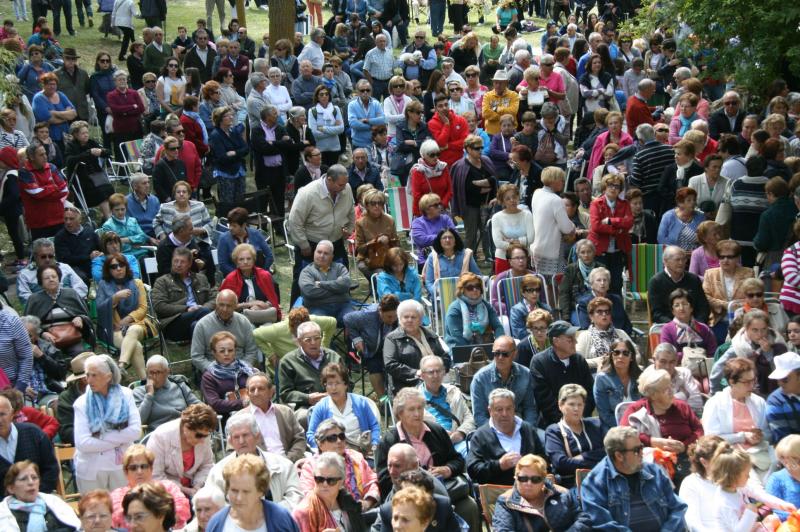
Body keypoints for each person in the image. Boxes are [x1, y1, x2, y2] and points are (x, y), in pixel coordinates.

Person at [375, 388, 478, 527]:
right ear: (400, 414)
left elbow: (457, 460)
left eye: (420, 408)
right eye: (411, 409)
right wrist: (417, 478)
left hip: (443, 491)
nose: (417, 414)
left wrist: (447, 469)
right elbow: (384, 480)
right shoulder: (389, 441)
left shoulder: (436, 430)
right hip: (407, 498)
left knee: (469, 506)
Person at [582, 426, 688, 530]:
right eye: (637, 450)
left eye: (641, 447)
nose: (642, 453)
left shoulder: (654, 471)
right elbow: (603, 525)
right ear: (619, 456)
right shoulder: (595, 483)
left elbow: (677, 508)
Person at [620, 368, 703, 486]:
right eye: (666, 389)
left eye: (671, 387)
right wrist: (652, 441)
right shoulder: (636, 409)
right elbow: (623, 435)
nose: (672, 392)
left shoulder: (681, 407)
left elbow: (699, 430)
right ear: (653, 395)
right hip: (653, 466)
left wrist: (684, 446)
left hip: (686, 461)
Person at [286, 164, 354, 304]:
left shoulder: (346, 188)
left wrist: (349, 229)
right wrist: (303, 244)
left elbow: (351, 212)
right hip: (311, 243)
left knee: (342, 278)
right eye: (340, 184)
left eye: (345, 184)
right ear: (329, 180)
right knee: (302, 279)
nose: (344, 187)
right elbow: (294, 221)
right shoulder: (307, 193)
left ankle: (341, 308)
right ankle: (296, 312)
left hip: (335, 241)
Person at [73, 354, 141, 491]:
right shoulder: (81, 403)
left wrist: (101, 437)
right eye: (87, 375)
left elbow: (135, 431)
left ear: (108, 377)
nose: (89, 380)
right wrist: (120, 438)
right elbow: (83, 443)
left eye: (94, 375)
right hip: (92, 469)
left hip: (122, 466)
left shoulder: (126, 395)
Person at [702, 357, 772, 481]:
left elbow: (768, 432)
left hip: (759, 454)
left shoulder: (759, 402)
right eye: (746, 382)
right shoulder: (715, 404)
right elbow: (711, 439)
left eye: (753, 380)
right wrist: (742, 437)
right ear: (732, 382)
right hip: (729, 457)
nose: (752, 385)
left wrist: (760, 436)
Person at [467, 388, 546, 486]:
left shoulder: (527, 429)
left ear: (514, 409)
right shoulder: (480, 436)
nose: (505, 414)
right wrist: (499, 465)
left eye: (509, 409)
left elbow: (544, 459)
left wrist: (531, 463)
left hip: (532, 488)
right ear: (490, 411)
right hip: (498, 492)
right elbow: (474, 471)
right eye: (499, 409)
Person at [492, 453, 589, 531]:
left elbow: (584, 519)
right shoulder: (506, 502)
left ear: (543, 479)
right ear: (515, 478)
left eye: (535, 479)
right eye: (523, 478)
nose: (528, 483)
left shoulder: (562, 493)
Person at [95, 253, 155, 380]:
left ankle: (121, 364)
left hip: (138, 323)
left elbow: (143, 308)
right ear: (108, 270)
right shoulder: (103, 285)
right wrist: (114, 298)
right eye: (114, 266)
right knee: (136, 346)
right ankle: (145, 381)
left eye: (121, 265)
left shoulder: (137, 283)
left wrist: (127, 320)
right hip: (113, 327)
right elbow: (99, 309)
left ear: (126, 267)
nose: (118, 269)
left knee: (133, 330)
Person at [299, 419, 380, 510]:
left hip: (359, 513)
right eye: (332, 438)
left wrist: (367, 503)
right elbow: (308, 495)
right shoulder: (310, 466)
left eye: (341, 436)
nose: (339, 441)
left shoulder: (356, 458)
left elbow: (371, 483)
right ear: (320, 444)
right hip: (326, 515)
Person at [205, 454, 299, 532]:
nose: (239, 498)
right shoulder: (216, 525)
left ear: (261, 491)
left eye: (246, 492)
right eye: (234, 490)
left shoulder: (281, 519)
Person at [110, 444, 191, 529]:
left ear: (151, 469)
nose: (139, 471)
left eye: (144, 466)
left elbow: (182, 509)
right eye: (133, 468)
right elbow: (119, 519)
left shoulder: (168, 487)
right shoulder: (117, 495)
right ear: (126, 473)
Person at [145, 403, 216, 500]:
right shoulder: (161, 437)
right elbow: (155, 476)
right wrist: (185, 490)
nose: (203, 440)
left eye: (206, 435)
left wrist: (198, 486)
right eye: (199, 435)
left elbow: (207, 465)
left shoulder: (203, 435)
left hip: (196, 489)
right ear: (186, 427)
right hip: (165, 492)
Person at [277, 321, 343, 423]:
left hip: (336, 401)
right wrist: (307, 398)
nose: (313, 342)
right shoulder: (288, 362)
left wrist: (334, 393)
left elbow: (349, 383)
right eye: (308, 340)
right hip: (305, 406)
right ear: (299, 341)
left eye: (317, 338)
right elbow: (285, 393)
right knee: (305, 417)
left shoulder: (334, 357)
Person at [306, 363, 380, 453]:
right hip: (332, 455)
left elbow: (374, 426)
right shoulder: (321, 407)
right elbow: (311, 434)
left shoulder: (361, 403)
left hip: (362, 452)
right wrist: (322, 448)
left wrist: (374, 444)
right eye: (329, 384)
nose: (333, 388)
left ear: (345, 385)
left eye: (337, 383)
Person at [711, 309, 788, 395]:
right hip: (747, 395)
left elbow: (784, 373)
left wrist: (768, 353)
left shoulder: (777, 344)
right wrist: (715, 394)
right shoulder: (739, 347)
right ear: (746, 329)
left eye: (763, 329)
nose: (760, 334)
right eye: (755, 330)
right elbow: (717, 371)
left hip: (775, 393)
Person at [24, 264, 93, 357]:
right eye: (46, 278)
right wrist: (42, 333)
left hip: (71, 336)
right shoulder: (34, 299)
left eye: (54, 276)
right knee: (51, 359)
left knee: (82, 355)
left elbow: (85, 314)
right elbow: (28, 325)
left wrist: (80, 318)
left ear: (59, 278)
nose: (51, 279)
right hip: (47, 339)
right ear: (41, 281)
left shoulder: (71, 293)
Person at [470, 335, 538, 429]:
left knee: (544, 440)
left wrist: (527, 431)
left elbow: (530, 409)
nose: (500, 357)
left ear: (515, 354)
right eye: (496, 353)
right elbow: (479, 416)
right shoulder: (480, 379)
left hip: (521, 427)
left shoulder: (526, 374)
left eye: (505, 354)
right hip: (492, 430)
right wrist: (497, 434)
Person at [151, 247, 216, 342]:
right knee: (207, 316)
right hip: (173, 324)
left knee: (196, 325)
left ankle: (201, 354)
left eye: (182, 262)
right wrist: (187, 309)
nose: (178, 265)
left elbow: (214, 298)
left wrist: (202, 308)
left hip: (200, 317)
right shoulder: (162, 281)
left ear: (189, 264)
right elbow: (159, 306)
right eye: (175, 261)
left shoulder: (201, 279)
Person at [383, 299, 449, 391]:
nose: (409, 320)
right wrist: (416, 373)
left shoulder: (430, 334)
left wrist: (439, 371)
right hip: (408, 387)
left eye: (414, 317)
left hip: (437, 382)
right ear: (399, 319)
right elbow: (391, 364)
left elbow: (444, 356)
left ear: (421, 319)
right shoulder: (392, 338)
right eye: (405, 317)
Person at [292, 451, 366, 532]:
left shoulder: (349, 502)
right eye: (320, 479)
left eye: (331, 480)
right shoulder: (303, 513)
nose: (325, 484)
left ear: (341, 482)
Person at [0, 393, 58, 493]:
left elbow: (51, 469)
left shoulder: (34, 433)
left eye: (2, 414)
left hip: (38, 498)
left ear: (12, 414)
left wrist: (35, 496)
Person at [0, 460, 81, 531]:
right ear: (11, 488)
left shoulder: (54, 503)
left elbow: (75, 527)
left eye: (34, 478)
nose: (31, 482)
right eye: (23, 479)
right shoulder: (3, 514)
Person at [63, 120, 113, 220]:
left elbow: (108, 152)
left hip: (96, 175)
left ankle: (108, 217)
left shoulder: (91, 142)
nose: (86, 135)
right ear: (75, 134)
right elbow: (69, 161)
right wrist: (88, 153)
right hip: (82, 178)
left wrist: (101, 152)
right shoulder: (71, 146)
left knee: (109, 190)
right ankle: (109, 218)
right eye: (83, 133)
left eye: (87, 132)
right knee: (101, 193)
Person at [131, 355, 199, 429]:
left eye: (158, 372)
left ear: (167, 372)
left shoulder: (179, 385)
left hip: (184, 428)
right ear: (146, 372)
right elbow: (138, 420)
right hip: (157, 433)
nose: (154, 376)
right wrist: (149, 395)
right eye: (151, 372)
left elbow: (199, 406)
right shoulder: (139, 392)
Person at [219, 244, 280, 325]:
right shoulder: (230, 279)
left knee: (268, 328)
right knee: (250, 328)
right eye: (241, 259)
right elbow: (225, 307)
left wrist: (264, 305)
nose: (245, 262)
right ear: (236, 262)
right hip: (240, 318)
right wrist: (249, 304)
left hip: (264, 315)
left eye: (248, 258)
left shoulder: (264, 275)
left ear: (254, 260)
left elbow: (273, 300)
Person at [17, 144, 69, 240]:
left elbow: (64, 189)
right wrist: (54, 187)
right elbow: (36, 192)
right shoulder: (24, 172)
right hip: (39, 223)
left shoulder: (52, 167)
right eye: (41, 155)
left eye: (45, 153)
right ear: (32, 157)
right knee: (43, 252)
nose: (45, 157)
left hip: (58, 218)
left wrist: (45, 190)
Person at [200, 331, 257, 418]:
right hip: (225, 419)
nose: (226, 354)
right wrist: (242, 403)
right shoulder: (209, 376)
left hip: (254, 413)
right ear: (214, 352)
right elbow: (215, 404)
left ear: (235, 351)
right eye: (222, 351)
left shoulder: (247, 369)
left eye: (230, 350)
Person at [649, 245, 710, 325]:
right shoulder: (656, 282)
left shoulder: (693, 279)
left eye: (684, 259)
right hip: (668, 326)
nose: (681, 263)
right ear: (665, 261)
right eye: (677, 260)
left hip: (694, 325)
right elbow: (657, 313)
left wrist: (698, 323)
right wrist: (675, 326)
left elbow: (703, 307)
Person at [531, 167, 576, 275]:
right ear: (554, 180)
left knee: (542, 283)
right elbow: (566, 228)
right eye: (562, 179)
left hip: (537, 246)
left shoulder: (537, 193)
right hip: (551, 250)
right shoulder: (556, 200)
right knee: (554, 284)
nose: (563, 182)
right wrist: (573, 227)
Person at [298, 240, 353, 325]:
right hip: (317, 307)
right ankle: (324, 339)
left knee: (352, 319)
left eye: (326, 253)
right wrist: (337, 288)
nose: (321, 256)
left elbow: (346, 285)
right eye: (319, 252)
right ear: (314, 253)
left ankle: (352, 339)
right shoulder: (306, 272)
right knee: (319, 322)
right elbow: (310, 292)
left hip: (342, 306)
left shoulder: (340, 268)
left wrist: (321, 284)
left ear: (332, 256)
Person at [444, 272, 503, 349]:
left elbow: (498, 326)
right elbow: (457, 338)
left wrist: (499, 344)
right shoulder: (455, 309)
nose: (475, 289)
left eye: (477, 286)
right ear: (462, 290)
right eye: (470, 288)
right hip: (460, 349)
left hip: (485, 345)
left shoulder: (486, 306)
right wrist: (475, 351)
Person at [659, 288, 717, 360]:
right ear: (672, 311)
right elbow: (667, 354)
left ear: (691, 308)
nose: (681, 308)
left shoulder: (704, 329)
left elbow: (713, 353)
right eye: (677, 305)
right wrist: (691, 354)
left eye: (684, 304)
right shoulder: (667, 329)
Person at [422, 228, 481, 297]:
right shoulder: (433, 257)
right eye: (444, 238)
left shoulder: (466, 255)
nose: (447, 240)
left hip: (464, 295)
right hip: (441, 297)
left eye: (450, 237)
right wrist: (437, 293)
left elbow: (478, 276)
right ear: (439, 241)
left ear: (455, 240)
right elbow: (429, 282)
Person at [355, 188, 398, 281]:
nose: (377, 206)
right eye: (373, 203)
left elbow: (397, 244)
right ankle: (381, 291)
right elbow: (360, 249)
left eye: (380, 203)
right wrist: (375, 241)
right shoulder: (361, 222)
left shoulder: (390, 220)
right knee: (382, 274)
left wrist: (389, 239)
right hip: (368, 260)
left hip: (387, 257)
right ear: (367, 205)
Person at [490, 185, 534, 275]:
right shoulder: (496, 217)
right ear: (502, 201)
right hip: (503, 259)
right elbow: (498, 243)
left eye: (514, 196)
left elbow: (531, 238)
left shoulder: (527, 215)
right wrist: (522, 242)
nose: (512, 200)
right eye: (507, 198)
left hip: (524, 259)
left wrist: (510, 241)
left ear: (518, 196)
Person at [217, 207, 274, 277]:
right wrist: (240, 276)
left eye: (234, 226)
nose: (230, 228)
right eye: (230, 225)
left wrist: (262, 272)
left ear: (243, 225)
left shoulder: (256, 234)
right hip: (235, 277)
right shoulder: (224, 239)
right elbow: (223, 264)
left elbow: (269, 256)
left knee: (274, 285)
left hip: (258, 274)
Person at [54, 205, 102, 285]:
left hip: (94, 263)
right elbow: (65, 259)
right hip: (73, 267)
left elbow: (101, 248)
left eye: (71, 219)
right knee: (82, 277)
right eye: (66, 219)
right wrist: (88, 257)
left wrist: (100, 253)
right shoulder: (60, 237)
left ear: (79, 220)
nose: (68, 222)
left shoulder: (89, 232)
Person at [409, 139, 453, 217]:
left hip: (443, 210)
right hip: (425, 212)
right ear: (423, 155)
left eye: (438, 154)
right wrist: (428, 210)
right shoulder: (417, 170)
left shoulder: (443, 167)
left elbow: (450, 190)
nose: (436, 157)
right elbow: (417, 196)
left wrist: (441, 205)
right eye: (432, 155)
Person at [767, 352, 800, 444]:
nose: (780, 383)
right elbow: (783, 441)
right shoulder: (775, 401)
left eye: (784, 379)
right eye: (778, 379)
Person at [658, 187, 706, 251]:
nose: (693, 202)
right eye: (689, 200)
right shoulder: (668, 216)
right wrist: (675, 252)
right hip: (672, 255)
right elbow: (661, 238)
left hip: (694, 255)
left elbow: (705, 239)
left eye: (694, 200)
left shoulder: (701, 217)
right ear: (680, 203)